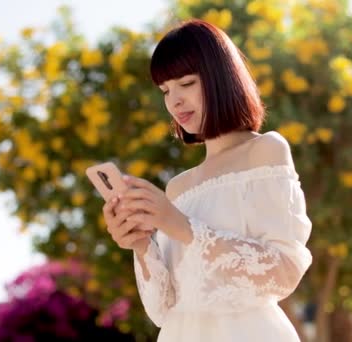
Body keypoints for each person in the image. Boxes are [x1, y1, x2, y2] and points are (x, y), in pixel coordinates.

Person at [102, 19, 313, 341]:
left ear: (221, 79)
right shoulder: (178, 188)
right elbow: (163, 308)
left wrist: (180, 226)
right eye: (165, 90)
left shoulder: (265, 150)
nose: (174, 101)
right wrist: (140, 243)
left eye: (186, 83)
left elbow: (283, 273)